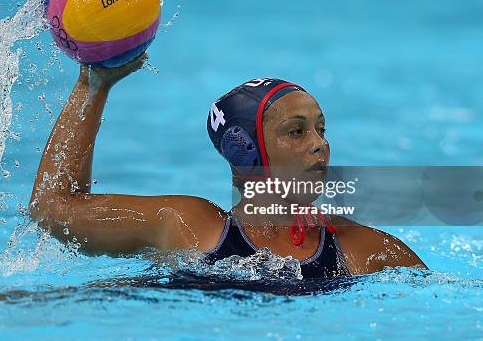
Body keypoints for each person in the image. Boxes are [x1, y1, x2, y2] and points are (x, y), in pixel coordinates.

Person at [29, 53, 427, 278]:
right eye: (296, 132)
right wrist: (92, 86)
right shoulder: (187, 225)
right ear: (247, 153)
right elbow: (53, 207)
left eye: (322, 130)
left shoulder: (361, 250)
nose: (320, 146)